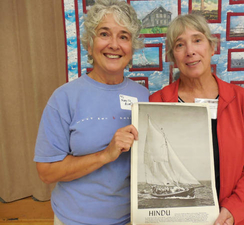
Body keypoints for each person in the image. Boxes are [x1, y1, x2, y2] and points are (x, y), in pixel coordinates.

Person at [150, 12, 244, 225]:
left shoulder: (241, 100)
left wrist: (234, 209)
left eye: (197, 40)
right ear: (173, 58)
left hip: (233, 219)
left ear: (212, 47)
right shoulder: (156, 102)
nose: (190, 51)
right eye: (180, 45)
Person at [34, 0, 149, 224]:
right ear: (89, 43)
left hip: (131, 218)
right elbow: (46, 172)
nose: (114, 45)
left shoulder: (144, 97)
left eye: (123, 36)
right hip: (74, 219)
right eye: (104, 34)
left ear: (132, 47)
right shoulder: (64, 98)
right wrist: (105, 155)